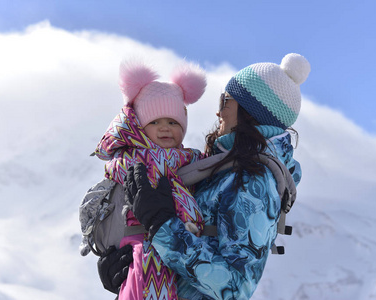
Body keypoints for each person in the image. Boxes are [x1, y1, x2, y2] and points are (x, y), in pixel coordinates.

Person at [98, 53, 311, 300]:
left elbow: (236, 286)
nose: (218, 112)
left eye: (225, 101)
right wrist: (124, 267)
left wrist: (162, 224)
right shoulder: (219, 167)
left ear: (249, 111)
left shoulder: (256, 180)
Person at [93, 59, 207, 300]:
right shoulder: (135, 158)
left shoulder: (189, 160)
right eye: (154, 122)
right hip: (138, 242)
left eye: (172, 122)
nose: (165, 128)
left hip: (169, 243)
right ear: (141, 128)